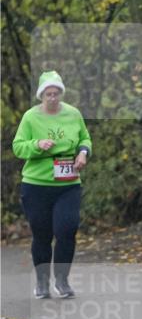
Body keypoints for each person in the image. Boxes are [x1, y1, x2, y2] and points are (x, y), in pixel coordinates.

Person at [12, 70, 92, 299]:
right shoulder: (30, 117)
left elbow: (84, 138)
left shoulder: (73, 114)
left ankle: (62, 280)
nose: (53, 98)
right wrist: (37, 144)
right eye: (49, 94)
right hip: (36, 184)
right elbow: (18, 147)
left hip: (68, 183)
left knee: (67, 229)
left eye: (57, 93)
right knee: (42, 234)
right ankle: (42, 282)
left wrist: (83, 153)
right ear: (41, 96)